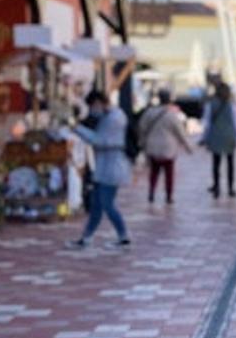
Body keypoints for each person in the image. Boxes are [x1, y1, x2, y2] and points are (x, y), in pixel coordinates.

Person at [69, 91, 131, 249]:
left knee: (107, 204)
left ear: (99, 102)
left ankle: (123, 237)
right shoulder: (109, 116)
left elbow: (99, 140)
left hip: (111, 167)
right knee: (97, 204)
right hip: (104, 166)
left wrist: (78, 129)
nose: (92, 110)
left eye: (93, 106)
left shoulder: (114, 118)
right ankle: (86, 238)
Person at [139, 88, 194, 204]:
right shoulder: (172, 115)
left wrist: (143, 142)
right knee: (169, 174)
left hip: (153, 147)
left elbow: (142, 128)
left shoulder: (149, 112)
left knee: (154, 172)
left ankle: (151, 192)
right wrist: (188, 147)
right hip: (168, 149)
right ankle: (169, 196)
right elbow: (180, 133)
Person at [201, 83, 236, 198]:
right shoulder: (233, 105)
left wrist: (204, 137)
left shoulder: (210, 105)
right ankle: (231, 188)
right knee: (230, 163)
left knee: (216, 163)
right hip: (229, 135)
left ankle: (217, 187)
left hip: (216, 135)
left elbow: (207, 123)